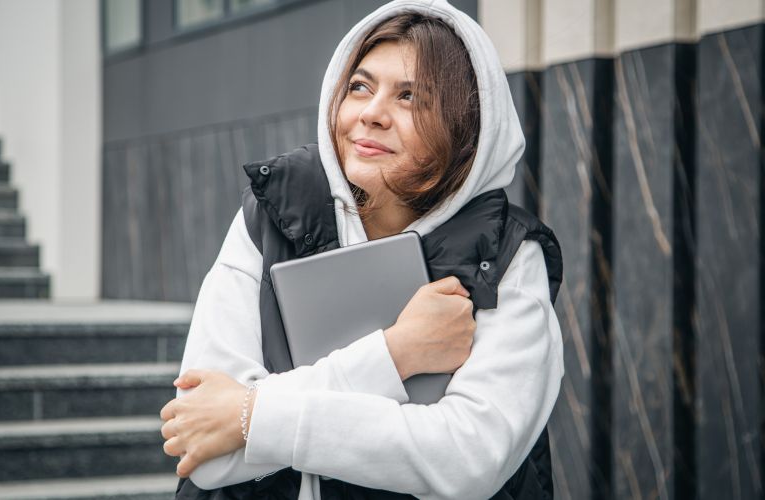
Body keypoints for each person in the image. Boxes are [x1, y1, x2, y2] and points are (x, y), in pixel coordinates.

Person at [159, 1, 564, 498]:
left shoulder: (508, 255)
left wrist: (252, 415)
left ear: (466, 128)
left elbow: (469, 458)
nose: (371, 114)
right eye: (360, 87)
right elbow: (204, 448)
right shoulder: (273, 211)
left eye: (410, 97)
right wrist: (395, 354)